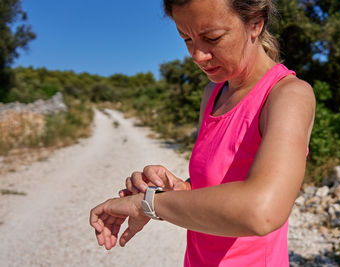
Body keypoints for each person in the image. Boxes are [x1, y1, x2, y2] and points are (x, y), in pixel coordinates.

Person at [89, 0, 315, 266]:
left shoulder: (287, 95)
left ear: (255, 23)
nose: (197, 55)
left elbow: (263, 211)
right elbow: (217, 187)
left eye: (212, 38)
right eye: (186, 38)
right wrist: (179, 189)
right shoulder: (214, 94)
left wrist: (148, 204)